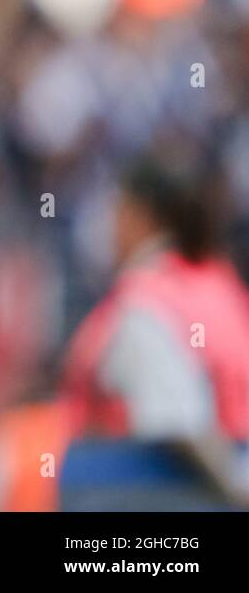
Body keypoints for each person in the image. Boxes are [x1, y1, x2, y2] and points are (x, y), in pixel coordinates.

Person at [59, 152, 249, 509]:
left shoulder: (146, 303)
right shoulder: (223, 288)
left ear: (137, 215)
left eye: (115, 210)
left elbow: (180, 421)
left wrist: (238, 489)